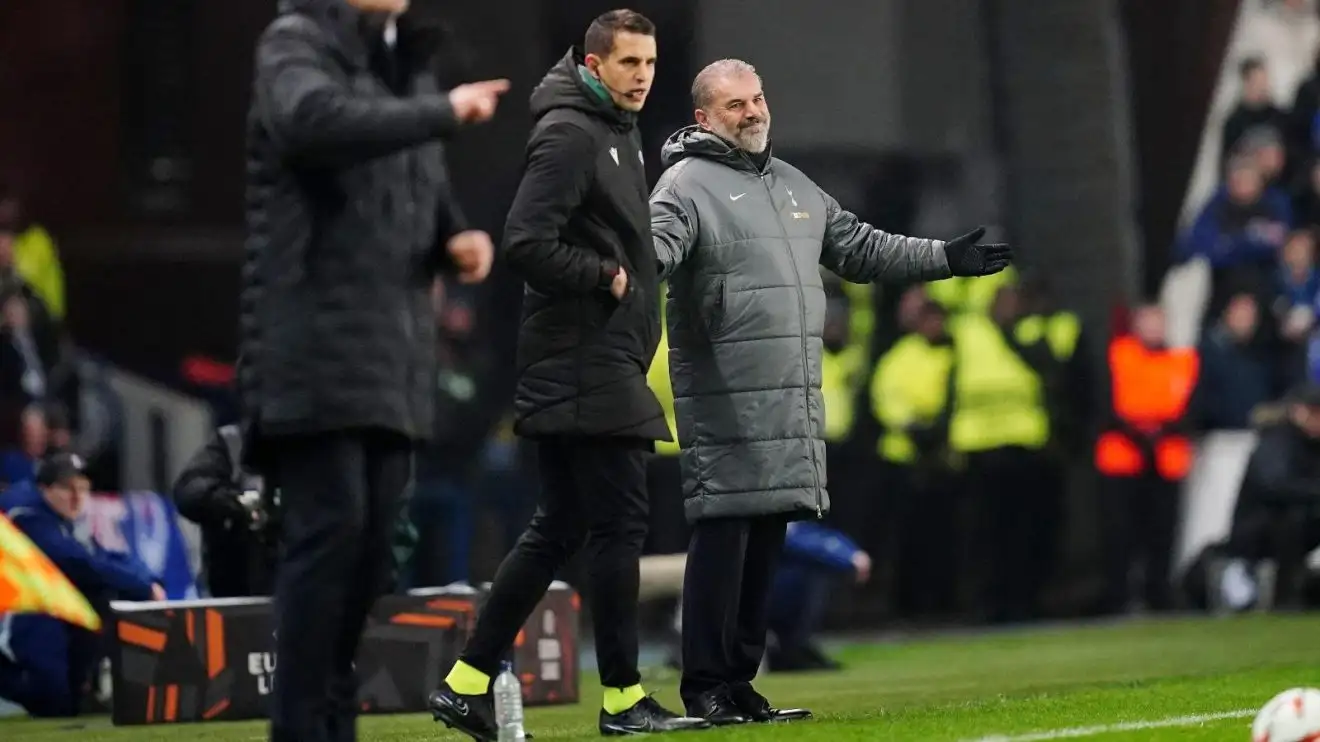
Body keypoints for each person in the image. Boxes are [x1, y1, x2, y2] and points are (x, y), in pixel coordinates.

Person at [649, 58, 1011, 724]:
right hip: (726, 394)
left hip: (790, 395)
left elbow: (861, 249)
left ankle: (740, 682)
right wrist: (621, 271)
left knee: (767, 541)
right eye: (735, 105)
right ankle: (704, 685)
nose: (753, 112)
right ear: (703, 118)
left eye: (757, 99)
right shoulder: (684, 185)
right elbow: (653, 252)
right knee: (724, 539)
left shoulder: (793, 184)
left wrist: (944, 259)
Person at [429, 10, 706, 739]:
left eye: (650, 63)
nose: (643, 76)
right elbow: (524, 240)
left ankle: (464, 684)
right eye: (628, 63)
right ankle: (622, 699)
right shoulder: (571, 134)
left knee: (558, 529)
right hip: (584, 358)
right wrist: (603, 276)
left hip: (594, 356)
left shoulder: (612, 129)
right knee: (620, 523)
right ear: (592, 65)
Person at [239, 0, 504, 739]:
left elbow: (418, 182)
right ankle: (301, 727)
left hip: (393, 354)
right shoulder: (294, 43)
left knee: (374, 550)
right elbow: (314, 122)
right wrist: (442, 110)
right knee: (332, 536)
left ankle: (334, 721)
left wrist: (454, 237)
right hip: (313, 344)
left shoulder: (404, 65)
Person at [0, 453, 163, 717]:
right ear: (44, 488)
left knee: (66, 702)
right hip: (24, 609)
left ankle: (86, 686)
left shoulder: (64, 520)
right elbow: (74, 562)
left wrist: (147, 580)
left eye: (83, 488)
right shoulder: (27, 516)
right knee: (53, 701)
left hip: (47, 608)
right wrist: (143, 588)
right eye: (68, 488)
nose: (77, 497)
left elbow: (104, 556)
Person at [1095, 303, 1201, 613]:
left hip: (1166, 460)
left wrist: (1162, 431)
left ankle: (1159, 596)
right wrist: (1138, 432)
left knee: (1162, 533)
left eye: (1159, 323)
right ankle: (1118, 597)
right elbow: (1103, 403)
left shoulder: (1183, 361)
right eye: (1148, 322)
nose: (1154, 329)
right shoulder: (1118, 356)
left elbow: (1194, 406)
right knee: (1120, 533)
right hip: (1123, 459)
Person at [172, 424, 277, 598]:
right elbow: (188, 492)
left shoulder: (318, 447)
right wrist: (238, 504)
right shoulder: (232, 443)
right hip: (236, 590)